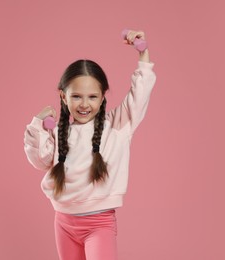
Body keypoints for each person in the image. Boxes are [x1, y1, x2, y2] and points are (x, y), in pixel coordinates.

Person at [24, 30, 157, 260]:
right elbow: (40, 160)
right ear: (63, 97)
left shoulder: (117, 125)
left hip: (99, 223)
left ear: (103, 97)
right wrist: (37, 125)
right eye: (76, 96)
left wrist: (143, 54)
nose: (84, 104)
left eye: (92, 97)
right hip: (64, 221)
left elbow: (140, 95)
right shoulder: (58, 132)